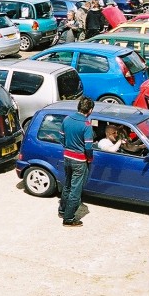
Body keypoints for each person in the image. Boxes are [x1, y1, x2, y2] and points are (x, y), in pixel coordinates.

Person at [59, 96, 95, 227]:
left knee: (67, 185)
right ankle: (69, 219)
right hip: (79, 161)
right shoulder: (87, 125)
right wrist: (89, 159)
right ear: (90, 110)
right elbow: (89, 147)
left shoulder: (67, 119)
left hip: (67, 157)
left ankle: (62, 210)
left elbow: (61, 138)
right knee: (76, 189)